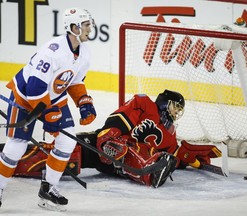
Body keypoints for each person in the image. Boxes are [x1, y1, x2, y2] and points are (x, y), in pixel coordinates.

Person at [0, 7, 96, 210]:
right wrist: (49, 115)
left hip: (53, 97)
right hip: (26, 97)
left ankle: (48, 189)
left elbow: (74, 81)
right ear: (74, 27)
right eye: (86, 25)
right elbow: (35, 88)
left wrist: (84, 103)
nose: (90, 28)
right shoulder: (52, 52)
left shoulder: (84, 52)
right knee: (16, 145)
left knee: (67, 140)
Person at [80, 89, 222, 188]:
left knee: (140, 150)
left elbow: (171, 156)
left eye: (179, 110)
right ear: (166, 103)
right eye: (175, 107)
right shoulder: (145, 104)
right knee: (72, 151)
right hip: (103, 146)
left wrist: (186, 157)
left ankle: (150, 173)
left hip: (122, 164)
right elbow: (122, 116)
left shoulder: (170, 134)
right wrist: (110, 135)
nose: (177, 112)